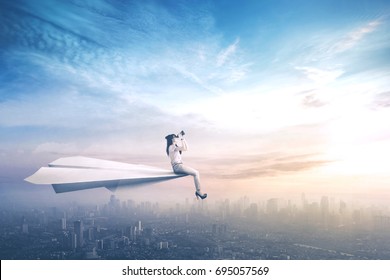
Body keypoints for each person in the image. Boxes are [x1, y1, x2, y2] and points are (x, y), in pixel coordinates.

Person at [165, 131, 207, 200]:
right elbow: (184, 148)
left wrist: (182, 139)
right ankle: (198, 192)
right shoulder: (171, 147)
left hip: (178, 166)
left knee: (195, 173)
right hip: (177, 166)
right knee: (196, 173)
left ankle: (198, 192)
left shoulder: (174, 147)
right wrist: (181, 138)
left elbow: (186, 148)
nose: (175, 138)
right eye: (174, 137)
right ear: (171, 139)